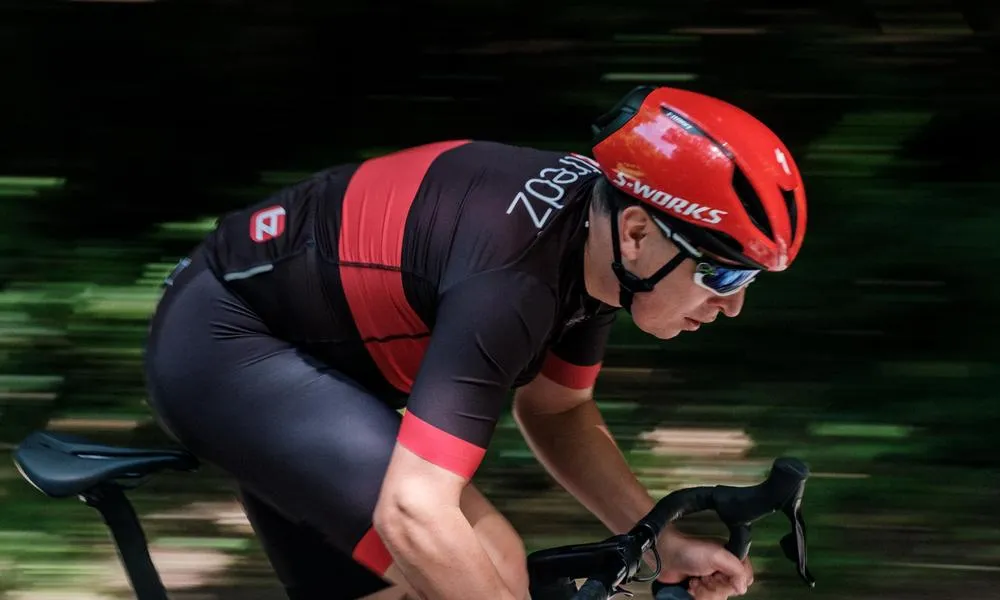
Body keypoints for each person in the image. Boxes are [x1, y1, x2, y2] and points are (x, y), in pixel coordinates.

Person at [143, 85, 807, 600]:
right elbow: (413, 511)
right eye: (721, 271)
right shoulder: (515, 277)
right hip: (226, 345)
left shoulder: (591, 243)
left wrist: (663, 543)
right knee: (484, 562)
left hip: (307, 361)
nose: (734, 302)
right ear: (637, 234)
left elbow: (557, 410)